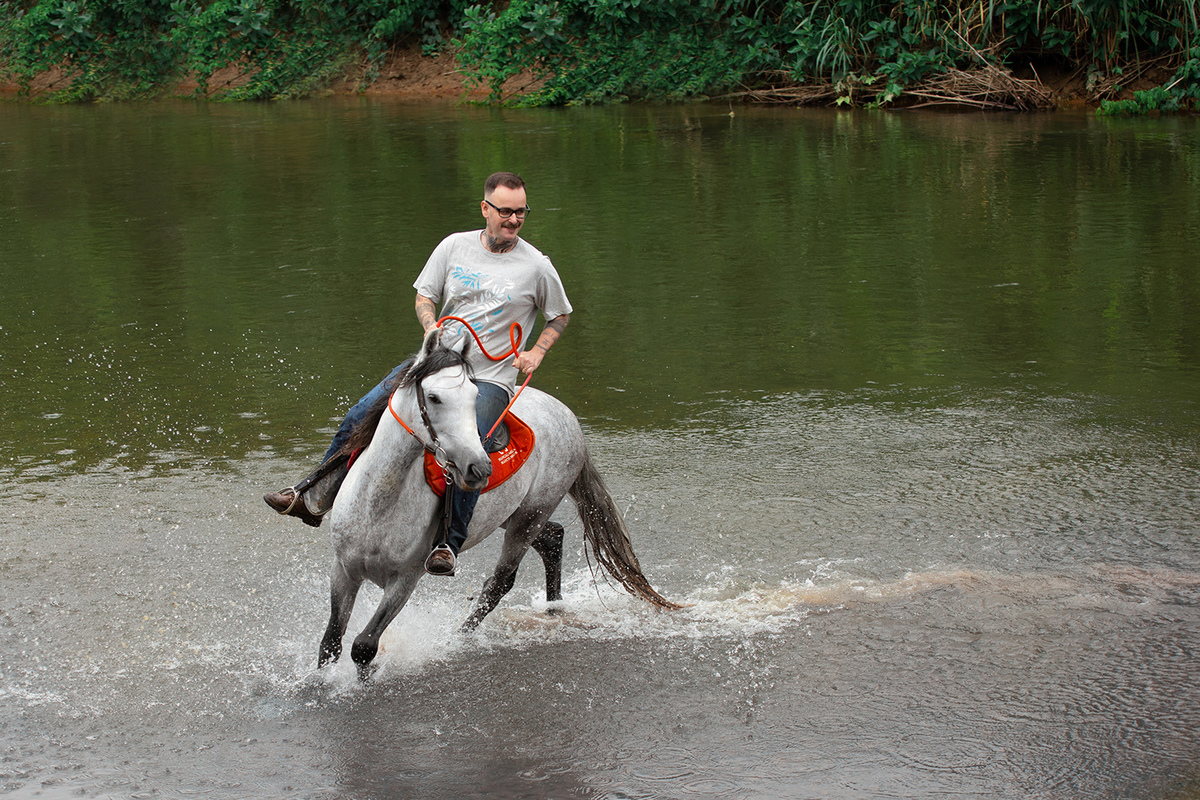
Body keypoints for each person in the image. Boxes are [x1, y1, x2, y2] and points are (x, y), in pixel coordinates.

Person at [264, 172, 572, 577]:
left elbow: (560, 315)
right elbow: (424, 296)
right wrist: (430, 327)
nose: (514, 220)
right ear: (485, 209)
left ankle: (448, 543)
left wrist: (536, 351)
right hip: (435, 365)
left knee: (469, 447)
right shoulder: (453, 246)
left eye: (521, 212)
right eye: (505, 212)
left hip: (488, 379)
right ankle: (315, 495)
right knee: (362, 412)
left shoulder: (536, 266)